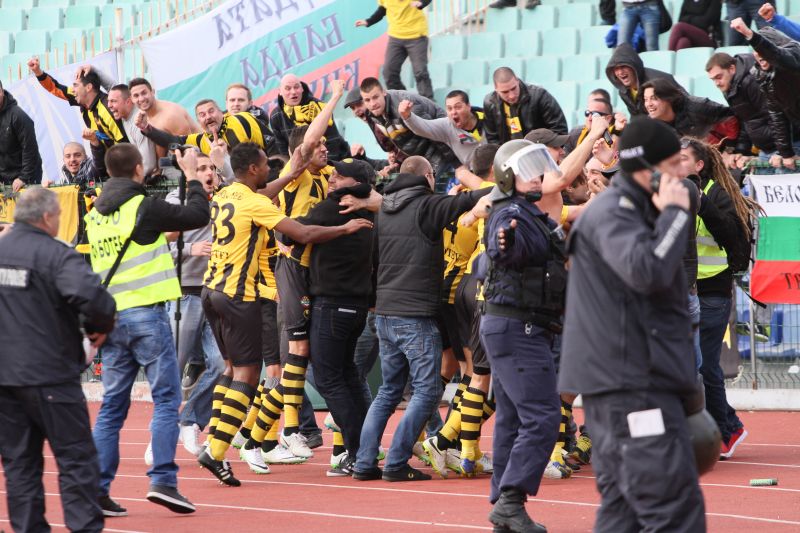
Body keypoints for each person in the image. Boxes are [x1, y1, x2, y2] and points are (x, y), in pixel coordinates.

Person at [195, 142, 372, 485]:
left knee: (233, 369)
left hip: (210, 290)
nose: (269, 171)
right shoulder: (259, 204)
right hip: (242, 295)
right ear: (252, 169)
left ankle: (219, 438)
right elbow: (301, 233)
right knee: (252, 374)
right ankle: (228, 447)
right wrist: (345, 228)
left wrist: (293, 173)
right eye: (265, 166)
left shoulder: (226, 193)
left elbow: (264, 192)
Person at [560, 117, 705, 531]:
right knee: (673, 506)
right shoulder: (615, 212)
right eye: (674, 164)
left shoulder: (630, 209)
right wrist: (674, 215)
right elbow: (647, 272)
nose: (681, 175)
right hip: (631, 386)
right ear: (649, 168)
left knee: (623, 510)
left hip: (629, 380)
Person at [86, 143, 210, 515]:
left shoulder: (95, 215)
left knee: (112, 407)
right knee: (167, 400)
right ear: (139, 169)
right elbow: (197, 214)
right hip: (147, 316)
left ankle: (97, 489)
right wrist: (191, 174)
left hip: (111, 319)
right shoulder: (142, 205)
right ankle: (163, 481)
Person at [352, 155, 492, 482]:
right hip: (415, 315)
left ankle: (364, 462)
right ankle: (397, 461)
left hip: (385, 312)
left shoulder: (385, 208)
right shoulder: (427, 205)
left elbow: (374, 259)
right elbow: (472, 197)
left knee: (388, 391)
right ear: (428, 176)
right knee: (427, 392)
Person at [0, 187, 116, 532]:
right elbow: (95, 300)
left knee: (19, 464)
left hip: (5, 379)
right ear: (48, 216)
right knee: (76, 459)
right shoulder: (55, 253)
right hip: (51, 375)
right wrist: (97, 329)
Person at [475, 140, 566, 532]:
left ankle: (504, 509)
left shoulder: (530, 213)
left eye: (538, 169)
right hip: (518, 328)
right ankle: (511, 502)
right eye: (526, 170)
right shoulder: (510, 213)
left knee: (512, 419)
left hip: (515, 326)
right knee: (543, 415)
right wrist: (503, 243)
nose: (536, 176)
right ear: (507, 175)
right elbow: (502, 245)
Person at [294, 159, 376, 476]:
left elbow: (293, 234)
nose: (332, 178)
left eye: (340, 176)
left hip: (332, 305)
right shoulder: (372, 209)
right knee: (349, 377)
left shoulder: (335, 205)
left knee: (330, 380)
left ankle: (357, 453)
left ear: (355, 184)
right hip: (357, 306)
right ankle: (366, 450)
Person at [679, 138, 753, 459]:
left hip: (712, 293)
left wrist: (702, 204)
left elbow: (732, 236)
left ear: (699, 165)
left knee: (706, 365)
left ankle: (724, 431)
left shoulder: (714, 194)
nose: (675, 163)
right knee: (690, 366)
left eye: (683, 158)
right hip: (685, 292)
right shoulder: (673, 193)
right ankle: (728, 424)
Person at [164, 152, 225, 456]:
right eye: (201, 168)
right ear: (189, 171)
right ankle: (160, 434)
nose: (208, 173)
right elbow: (157, 247)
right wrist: (191, 248)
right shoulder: (176, 200)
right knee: (173, 368)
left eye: (211, 167)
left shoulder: (224, 198)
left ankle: (189, 420)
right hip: (185, 294)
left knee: (223, 365)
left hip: (215, 293)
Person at [705, 52, 796, 169]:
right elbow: (746, 120)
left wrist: (784, 152)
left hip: (786, 148)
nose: (716, 83)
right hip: (766, 149)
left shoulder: (753, 81)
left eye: (719, 77)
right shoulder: (730, 87)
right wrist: (741, 151)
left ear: (732, 69)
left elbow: (777, 115)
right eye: (713, 79)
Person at [731, 20, 800, 172]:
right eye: (755, 50)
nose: (758, 53)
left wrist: (750, 34)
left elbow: (777, 55)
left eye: (761, 48)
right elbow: (777, 115)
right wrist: (786, 153)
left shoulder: (794, 54)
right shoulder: (762, 75)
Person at [359, 77, 460, 177]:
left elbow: (434, 132)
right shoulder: (370, 114)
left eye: (375, 97)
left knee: (428, 185)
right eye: (367, 100)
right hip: (420, 157)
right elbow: (399, 141)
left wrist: (456, 162)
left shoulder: (406, 103)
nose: (372, 104)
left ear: (384, 92)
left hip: (442, 147)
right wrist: (397, 163)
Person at [28, 58, 126, 153]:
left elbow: (124, 146)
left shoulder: (108, 109)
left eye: (75, 85)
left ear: (88, 87)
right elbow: (56, 88)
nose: (73, 90)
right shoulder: (83, 100)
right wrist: (38, 72)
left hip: (118, 159)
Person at [137, 98, 275, 157]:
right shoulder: (200, 140)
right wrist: (147, 128)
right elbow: (173, 141)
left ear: (221, 112)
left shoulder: (242, 119)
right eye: (202, 115)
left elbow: (273, 145)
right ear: (199, 121)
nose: (208, 117)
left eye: (211, 111)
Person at [356, 1, 434, 99]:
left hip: (416, 36)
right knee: (389, 72)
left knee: (420, 71)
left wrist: (421, 2)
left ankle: (428, 102)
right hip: (396, 37)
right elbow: (383, 9)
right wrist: (368, 21)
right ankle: (403, 99)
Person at [269, 74, 350, 161]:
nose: (293, 92)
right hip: (300, 164)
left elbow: (333, 140)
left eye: (296, 87)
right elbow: (283, 151)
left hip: (333, 158)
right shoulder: (276, 117)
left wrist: (328, 165)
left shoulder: (319, 107)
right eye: (288, 88)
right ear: (280, 92)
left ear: (302, 88)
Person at [483, 67, 568, 145]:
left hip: (541, 150)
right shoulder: (490, 104)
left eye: (514, 88)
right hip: (510, 153)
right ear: (496, 89)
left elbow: (559, 129)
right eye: (505, 92)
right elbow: (492, 140)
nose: (511, 95)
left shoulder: (539, 96)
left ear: (517, 81)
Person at [399, 89, 486, 165]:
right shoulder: (446, 126)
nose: (453, 112)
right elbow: (422, 127)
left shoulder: (488, 118)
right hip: (471, 172)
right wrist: (407, 116)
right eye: (449, 108)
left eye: (458, 107)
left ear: (468, 106)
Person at [129, 77, 199, 160]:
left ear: (152, 92)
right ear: (131, 99)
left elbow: (190, 149)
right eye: (136, 96)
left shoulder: (171, 115)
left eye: (144, 93)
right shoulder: (141, 116)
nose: (141, 99)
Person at [606, 44, 683, 117]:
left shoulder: (658, 81)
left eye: (623, 66)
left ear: (634, 66)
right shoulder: (624, 92)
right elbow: (635, 117)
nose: (620, 72)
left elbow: (683, 104)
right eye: (616, 69)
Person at [641, 78, 733, 139]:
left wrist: (730, 149)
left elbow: (733, 116)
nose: (649, 104)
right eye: (646, 99)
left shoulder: (696, 106)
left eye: (654, 98)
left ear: (668, 98)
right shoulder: (652, 125)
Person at [0, 80, 42, 191]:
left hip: (26, 177)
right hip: (4, 178)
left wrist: (24, 178)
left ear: (2, 92)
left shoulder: (18, 115)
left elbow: (30, 148)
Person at [107, 84, 158, 176]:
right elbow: (113, 87)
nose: (109, 105)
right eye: (108, 101)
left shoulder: (139, 122)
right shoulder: (124, 114)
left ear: (128, 102)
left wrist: (126, 180)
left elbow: (148, 165)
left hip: (165, 175)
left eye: (113, 101)